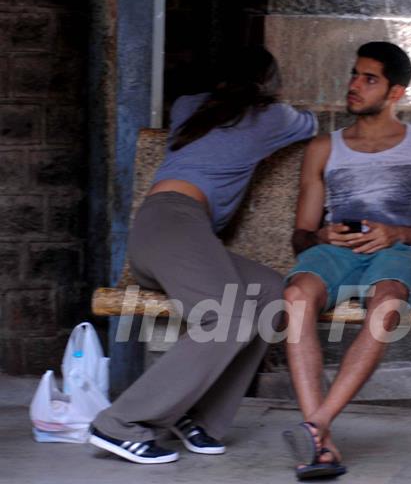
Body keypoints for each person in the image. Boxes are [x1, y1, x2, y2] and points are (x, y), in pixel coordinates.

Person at [88, 46, 318, 464]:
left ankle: (200, 419)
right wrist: (275, 103)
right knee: (228, 316)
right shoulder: (273, 118)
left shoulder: (189, 107)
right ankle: (120, 424)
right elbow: (312, 123)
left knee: (271, 294)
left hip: (169, 233)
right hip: (174, 225)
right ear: (269, 84)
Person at [281, 41, 411, 480]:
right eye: (354, 75)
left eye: (369, 79)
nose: (354, 86)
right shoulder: (324, 148)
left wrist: (397, 232)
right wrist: (320, 235)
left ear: (396, 92)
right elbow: (300, 235)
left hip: (398, 252)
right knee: (295, 297)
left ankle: (317, 427)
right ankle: (318, 434)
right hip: (336, 251)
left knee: (385, 305)